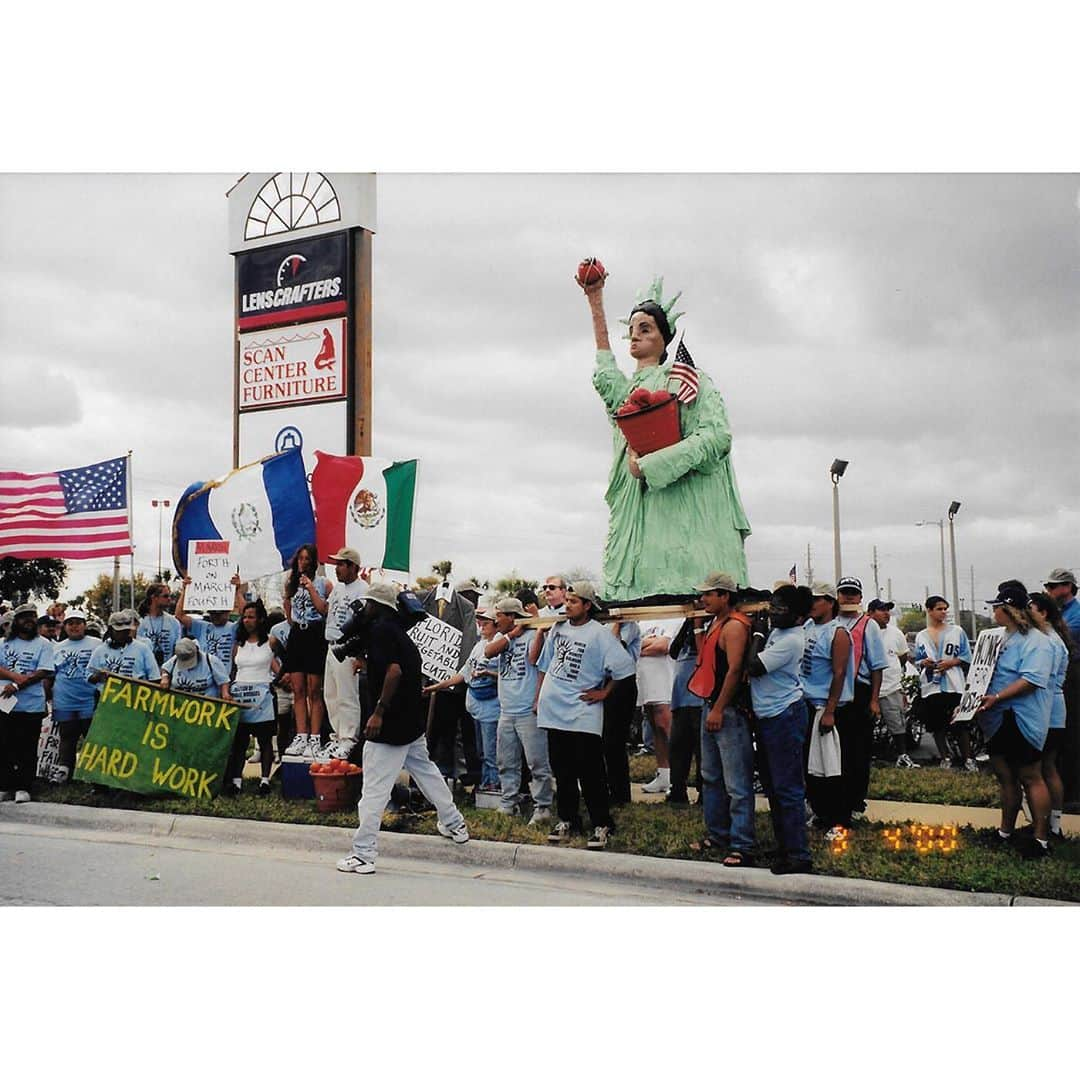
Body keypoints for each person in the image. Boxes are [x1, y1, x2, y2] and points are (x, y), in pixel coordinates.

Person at [581, 270, 751, 600]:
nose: (635, 336)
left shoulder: (690, 379)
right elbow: (605, 376)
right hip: (634, 517)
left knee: (685, 578)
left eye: (645, 329)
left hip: (690, 522)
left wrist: (652, 464)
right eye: (631, 331)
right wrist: (595, 299)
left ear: (664, 335)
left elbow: (716, 437)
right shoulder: (627, 390)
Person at [336, 582, 469, 874]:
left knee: (373, 790)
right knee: (428, 775)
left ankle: (363, 854)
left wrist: (379, 712)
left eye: (369, 603)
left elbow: (393, 671)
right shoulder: (397, 632)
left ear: (378, 607)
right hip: (410, 724)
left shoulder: (381, 631)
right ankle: (454, 823)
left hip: (390, 727)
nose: (365, 608)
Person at [536, 582, 636, 850]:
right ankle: (568, 818)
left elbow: (625, 668)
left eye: (573, 601)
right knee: (562, 770)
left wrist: (604, 693)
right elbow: (544, 665)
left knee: (590, 771)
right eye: (566, 600)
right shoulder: (558, 629)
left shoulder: (599, 635)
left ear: (587, 605)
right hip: (554, 709)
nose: (567, 605)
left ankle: (602, 823)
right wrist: (539, 698)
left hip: (582, 711)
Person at [976, 581, 1055, 857]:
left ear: (1008, 610)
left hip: (1021, 716)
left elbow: (1032, 680)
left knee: (1030, 775)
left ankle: (1041, 838)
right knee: (1005, 775)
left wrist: (997, 698)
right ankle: (1005, 831)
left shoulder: (1038, 642)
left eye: (997, 607)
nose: (993, 611)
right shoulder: (996, 637)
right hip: (997, 718)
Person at [688, 572, 756, 866]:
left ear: (725, 596)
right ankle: (718, 834)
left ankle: (742, 843)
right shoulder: (718, 622)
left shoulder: (735, 627)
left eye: (708, 594)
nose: (703, 599)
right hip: (711, 705)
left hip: (726, 711)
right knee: (711, 777)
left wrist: (718, 708)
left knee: (736, 782)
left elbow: (734, 671)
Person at [746, 585, 815, 875]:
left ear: (799, 617)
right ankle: (784, 845)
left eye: (781, 609)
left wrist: (758, 634)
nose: (773, 613)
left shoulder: (791, 640)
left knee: (787, 788)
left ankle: (799, 854)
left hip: (784, 715)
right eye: (772, 606)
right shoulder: (779, 632)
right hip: (768, 715)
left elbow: (753, 666)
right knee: (774, 788)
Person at [485, 597, 553, 824]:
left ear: (512, 616)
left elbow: (535, 660)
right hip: (507, 709)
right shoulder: (502, 637)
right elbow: (488, 652)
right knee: (506, 760)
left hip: (527, 710)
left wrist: (535, 628)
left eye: (500, 616)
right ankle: (508, 802)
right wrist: (512, 635)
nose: (496, 621)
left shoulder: (534, 633)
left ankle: (543, 806)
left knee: (537, 762)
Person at [424, 604, 501, 794]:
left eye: (486, 622)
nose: (481, 625)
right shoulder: (478, 646)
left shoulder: (500, 644)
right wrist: (436, 686)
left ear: (496, 624)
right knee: (481, 751)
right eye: (480, 621)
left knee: (491, 752)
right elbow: (462, 674)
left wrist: (489, 674)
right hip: (476, 705)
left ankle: (492, 786)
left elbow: (506, 675)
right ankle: (485, 785)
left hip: (492, 706)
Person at [801, 584, 853, 838]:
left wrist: (831, 708)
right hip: (807, 703)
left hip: (827, 706)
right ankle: (820, 813)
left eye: (816, 599)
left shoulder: (838, 632)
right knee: (812, 768)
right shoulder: (808, 627)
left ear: (830, 602)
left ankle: (840, 821)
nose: (811, 604)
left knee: (832, 767)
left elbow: (839, 672)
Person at [834, 577, 889, 819]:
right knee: (836, 751)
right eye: (844, 593)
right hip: (833, 692)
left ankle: (856, 801)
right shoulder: (830, 622)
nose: (848, 597)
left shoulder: (868, 625)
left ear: (860, 598)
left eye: (852, 593)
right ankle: (835, 798)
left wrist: (874, 699)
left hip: (860, 690)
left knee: (858, 750)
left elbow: (877, 665)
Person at [420, 576, 481, 787]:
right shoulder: (423, 600)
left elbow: (468, 645)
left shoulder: (466, 610)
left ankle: (452, 775)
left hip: (453, 683)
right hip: (427, 680)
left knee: (452, 732)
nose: (474, 600)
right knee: (432, 731)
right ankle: (433, 774)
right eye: (470, 596)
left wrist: (457, 676)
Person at [223, 600, 279, 796]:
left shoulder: (271, 641)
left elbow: (286, 661)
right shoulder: (238, 645)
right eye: (244, 617)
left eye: (251, 617)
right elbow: (233, 670)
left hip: (262, 695)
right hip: (241, 695)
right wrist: (228, 690)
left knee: (265, 741)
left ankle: (265, 780)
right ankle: (237, 781)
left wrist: (278, 680)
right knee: (240, 742)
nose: (247, 621)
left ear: (260, 619)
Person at [0, 604, 55, 803]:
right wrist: (14, 677)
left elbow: (44, 671)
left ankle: (24, 787)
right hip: (5, 705)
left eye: (32, 616)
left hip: (31, 705)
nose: (29, 620)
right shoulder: (4, 643)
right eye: (24, 617)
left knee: (27, 747)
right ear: (16, 621)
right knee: (4, 746)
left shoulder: (44, 644)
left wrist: (17, 685)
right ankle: (5, 786)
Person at [1028, 592, 1072, 839]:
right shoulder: (1052, 638)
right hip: (1054, 709)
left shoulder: (1049, 642)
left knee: (1044, 768)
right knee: (1048, 767)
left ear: (1043, 613)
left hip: (1048, 710)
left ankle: (1049, 827)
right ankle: (1051, 824)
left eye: (1030, 609)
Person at [913, 596, 974, 770]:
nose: (943, 612)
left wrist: (950, 662)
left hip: (954, 684)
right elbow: (918, 659)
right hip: (932, 686)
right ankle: (944, 757)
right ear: (929, 610)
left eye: (945, 608)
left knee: (959, 723)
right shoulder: (921, 636)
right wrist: (924, 663)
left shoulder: (957, 631)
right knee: (937, 725)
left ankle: (968, 758)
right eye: (939, 608)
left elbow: (966, 656)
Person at [282, 543, 331, 758]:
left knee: (314, 690)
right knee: (298, 689)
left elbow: (324, 610)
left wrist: (311, 588)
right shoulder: (291, 583)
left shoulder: (323, 583)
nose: (303, 562)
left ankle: (315, 737)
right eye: (300, 558)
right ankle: (301, 735)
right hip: (298, 635)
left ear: (313, 561)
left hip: (315, 633)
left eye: (307, 558)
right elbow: (288, 612)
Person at [321, 547, 369, 762]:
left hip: (348, 646)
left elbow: (364, 623)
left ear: (353, 567)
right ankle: (337, 736)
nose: (337, 568)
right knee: (331, 694)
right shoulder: (338, 589)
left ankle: (349, 737)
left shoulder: (363, 589)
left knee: (347, 695)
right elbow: (327, 612)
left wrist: (359, 654)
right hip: (331, 645)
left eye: (341, 564)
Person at [1043, 568, 1080, 806]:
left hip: (1074, 678)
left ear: (1067, 587)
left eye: (1052, 587)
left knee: (1072, 736)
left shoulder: (1075, 615)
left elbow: (1062, 639)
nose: (1049, 591)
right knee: (1061, 736)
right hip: (1063, 678)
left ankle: (1072, 794)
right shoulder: (1060, 613)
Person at [48, 609, 98, 782]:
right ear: (64, 627)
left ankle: (92, 774)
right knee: (67, 736)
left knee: (91, 736)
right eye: (70, 623)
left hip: (89, 699)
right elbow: (50, 675)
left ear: (84, 625)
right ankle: (64, 771)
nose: (74, 626)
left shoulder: (97, 644)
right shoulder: (57, 648)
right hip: (64, 699)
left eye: (78, 623)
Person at [868, 599, 917, 768]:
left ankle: (902, 756)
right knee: (866, 724)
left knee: (897, 723)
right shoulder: (865, 630)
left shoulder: (896, 633)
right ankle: (868, 756)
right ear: (870, 612)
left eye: (888, 610)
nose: (886, 613)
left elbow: (903, 657)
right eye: (881, 610)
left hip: (891, 687)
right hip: (868, 688)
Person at [636, 618, 678, 794]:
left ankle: (676, 777)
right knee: (655, 728)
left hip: (664, 679)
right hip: (645, 679)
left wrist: (639, 648)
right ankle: (663, 774)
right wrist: (644, 645)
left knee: (666, 726)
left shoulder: (675, 619)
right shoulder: (643, 620)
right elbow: (629, 645)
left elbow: (664, 646)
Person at [601, 615, 640, 805]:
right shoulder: (600, 626)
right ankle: (606, 788)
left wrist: (617, 622)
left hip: (622, 683)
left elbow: (615, 649)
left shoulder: (629, 625)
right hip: (604, 682)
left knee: (614, 742)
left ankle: (620, 794)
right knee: (602, 741)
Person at [666, 615, 705, 804]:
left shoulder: (707, 629)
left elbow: (704, 655)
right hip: (681, 698)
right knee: (677, 748)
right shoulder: (685, 631)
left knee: (702, 751)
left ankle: (704, 791)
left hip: (700, 700)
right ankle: (677, 789)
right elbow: (673, 651)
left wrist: (698, 626)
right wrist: (688, 623)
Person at [175, 572, 247, 667]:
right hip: (204, 675)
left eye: (219, 613)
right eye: (212, 613)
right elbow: (179, 615)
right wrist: (185, 591)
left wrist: (238, 591)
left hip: (225, 677)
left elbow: (246, 614)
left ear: (228, 612)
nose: (215, 616)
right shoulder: (202, 627)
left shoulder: (234, 628)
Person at [87, 610, 161, 684]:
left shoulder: (143, 649)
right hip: (108, 694)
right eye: (119, 631)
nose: (123, 634)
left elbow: (155, 677)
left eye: (126, 631)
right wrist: (98, 676)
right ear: (110, 630)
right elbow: (88, 677)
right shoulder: (100, 650)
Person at [161, 638, 232, 700]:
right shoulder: (177, 657)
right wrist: (164, 677)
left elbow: (224, 681)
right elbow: (165, 668)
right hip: (179, 704)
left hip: (206, 705)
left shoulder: (211, 660)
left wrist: (225, 693)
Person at [137, 583, 184, 666]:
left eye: (170, 596)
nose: (169, 599)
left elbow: (177, 650)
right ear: (154, 597)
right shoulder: (140, 623)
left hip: (167, 671)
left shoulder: (174, 622)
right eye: (165, 596)